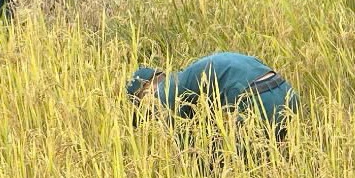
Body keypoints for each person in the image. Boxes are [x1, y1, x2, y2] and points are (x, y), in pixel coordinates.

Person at [127, 51, 298, 141]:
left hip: (258, 102)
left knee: (234, 177)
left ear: (146, 89)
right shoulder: (188, 78)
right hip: (288, 95)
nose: (151, 114)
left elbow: (189, 151)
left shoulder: (166, 92)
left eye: (143, 106)